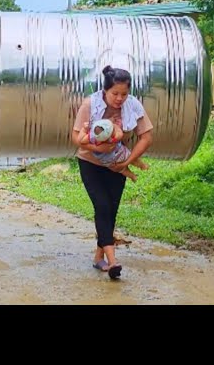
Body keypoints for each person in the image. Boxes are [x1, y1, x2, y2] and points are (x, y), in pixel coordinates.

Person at [72, 65, 153, 279]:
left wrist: (128, 160)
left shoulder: (133, 105)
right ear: (105, 91)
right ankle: (113, 260)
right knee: (102, 205)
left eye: (124, 94)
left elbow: (146, 137)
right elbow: (76, 138)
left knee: (111, 210)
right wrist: (98, 148)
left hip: (118, 164)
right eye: (115, 94)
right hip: (91, 163)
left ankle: (99, 258)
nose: (119, 98)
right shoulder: (90, 104)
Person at [77, 117, 149, 182]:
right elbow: (120, 134)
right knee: (131, 158)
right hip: (119, 153)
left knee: (122, 170)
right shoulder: (112, 134)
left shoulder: (92, 137)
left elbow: (81, 140)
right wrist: (116, 132)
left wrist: (83, 129)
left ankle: (133, 176)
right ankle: (142, 166)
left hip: (108, 160)